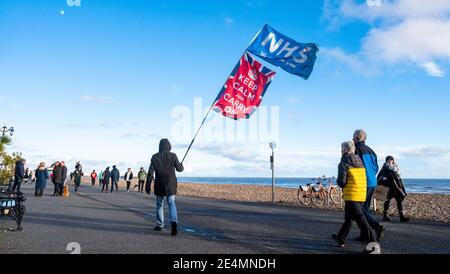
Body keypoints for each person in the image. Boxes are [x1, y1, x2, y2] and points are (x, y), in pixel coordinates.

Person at [332, 141, 377, 248]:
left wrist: (340, 181)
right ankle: (341, 238)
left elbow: (342, 183)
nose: (341, 151)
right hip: (361, 194)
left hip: (352, 196)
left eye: (341, 149)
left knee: (361, 220)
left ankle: (374, 245)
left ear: (344, 150)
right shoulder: (359, 161)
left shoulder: (343, 163)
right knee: (348, 218)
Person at [146, 139, 184, 236]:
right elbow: (179, 169)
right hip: (170, 184)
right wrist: (181, 166)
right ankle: (174, 222)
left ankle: (160, 224)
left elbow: (150, 173)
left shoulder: (154, 157)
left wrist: (147, 185)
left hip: (159, 184)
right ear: (169, 146)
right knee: (171, 203)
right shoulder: (173, 155)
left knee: (159, 204)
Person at [353, 129, 385, 241]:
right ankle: (365, 235)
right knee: (365, 208)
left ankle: (376, 225)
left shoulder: (356, 149)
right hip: (372, 182)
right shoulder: (371, 151)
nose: (352, 139)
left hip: (363, 182)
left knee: (359, 209)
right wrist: (371, 175)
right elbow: (376, 167)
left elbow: (354, 166)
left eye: (353, 137)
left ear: (357, 138)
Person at [377, 156, 410, 223]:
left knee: (399, 200)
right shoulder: (384, 168)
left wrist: (401, 185)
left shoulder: (396, 168)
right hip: (388, 187)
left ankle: (401, 216)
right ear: (386, 161)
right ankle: (385, 215)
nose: (389, 161)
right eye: (388, 160)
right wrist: (383, 178)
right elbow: (379, 177)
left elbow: (398, 177)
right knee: (387, 201)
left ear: (393, 161)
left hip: (396, 187)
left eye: (391, 160)